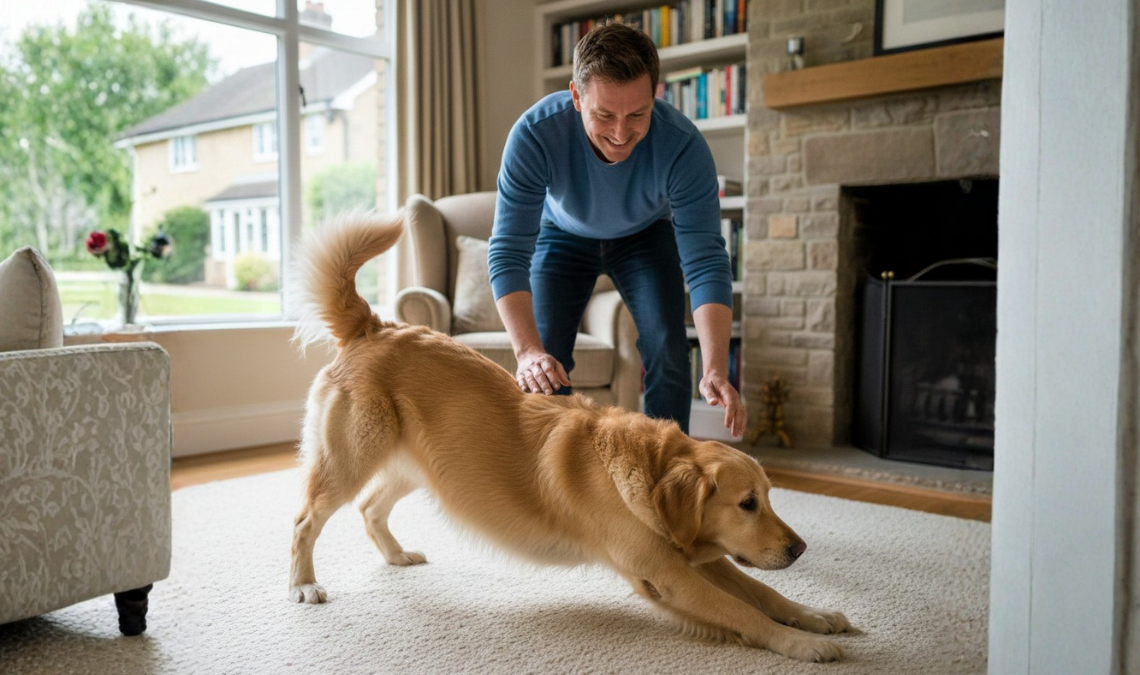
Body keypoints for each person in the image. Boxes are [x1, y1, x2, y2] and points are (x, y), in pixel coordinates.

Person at [488, 21, 745, 437]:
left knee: (668, 347)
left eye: (637, 114)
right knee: (545, 359)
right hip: (562, 233)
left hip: (645, 235)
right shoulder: (534, 135)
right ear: (576, 97)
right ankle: (550, 468)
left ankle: (664, 466)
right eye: (604, 115)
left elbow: (706, 261)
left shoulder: (683, 146)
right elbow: (507, 252)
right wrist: (527, 351)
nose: (621, 133)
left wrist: (715, 367)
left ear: (654, 95)